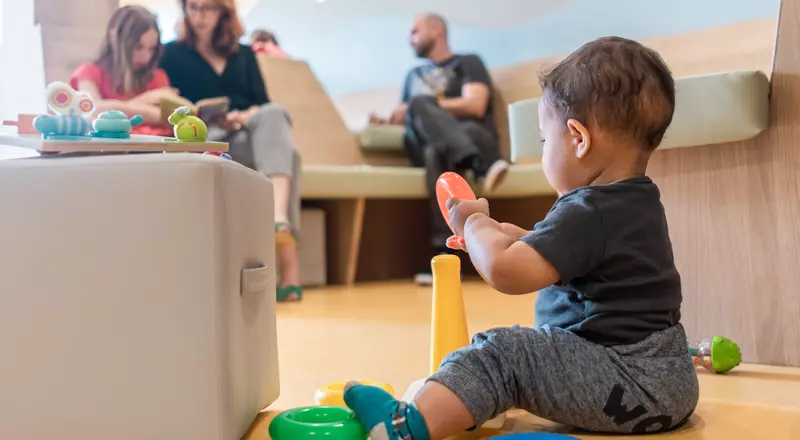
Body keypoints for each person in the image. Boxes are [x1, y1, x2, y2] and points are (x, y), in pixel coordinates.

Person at [343, 37, 699, 439]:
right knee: (528, 354)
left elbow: (504, 271)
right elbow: (569, 259)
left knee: (504, 353)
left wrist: (475, 223)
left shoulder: (589, 209)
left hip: (625, 382)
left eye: (546, 140)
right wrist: (509, 235)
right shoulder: (637, 200)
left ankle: (406, 426)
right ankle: (468, 399)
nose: (544, 151)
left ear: (578, 138)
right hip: (668, 382)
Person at [159, 0, 303, 302]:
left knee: (275, 113)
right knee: (289, 155)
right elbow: (173, 106)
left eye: (207, 8)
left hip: (245, 132)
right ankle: (290, 270)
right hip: (207, 136)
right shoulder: (171, 54)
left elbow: (261, 102)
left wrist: (243, 117)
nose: (199, 16)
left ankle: (278, 218)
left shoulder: (245, 54)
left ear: (223, 12)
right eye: (193, 7)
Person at [370, 14, 509, 286]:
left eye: (415, 31)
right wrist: (389, 120)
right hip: (436, 144)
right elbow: (412, 118)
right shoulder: (413, 75)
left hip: (471, 134)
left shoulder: (468, 62)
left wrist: (426, 105)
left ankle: (445, 251)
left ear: (436, 31)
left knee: (437, 149)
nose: (410, 38)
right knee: (421, 113)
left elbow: (476, 104)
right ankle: (482, 164)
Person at [70, 5, 177, 137]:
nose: (146, 57)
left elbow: (166, 117)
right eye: (138, 47)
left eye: (152, 49)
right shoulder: (88, 73)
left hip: (154, 149)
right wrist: (146, 100)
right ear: (116, 39)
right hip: (109, 151)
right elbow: (91, 109)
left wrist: (112, 109)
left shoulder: (157, 76)